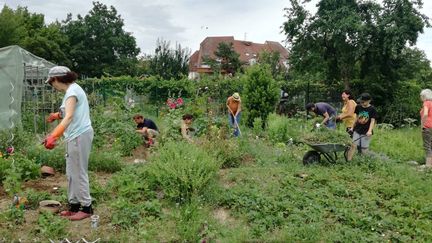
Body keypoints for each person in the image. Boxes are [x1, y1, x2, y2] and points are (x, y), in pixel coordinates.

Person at [44, 66, 94, 221]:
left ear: (56, 79)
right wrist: (56, 115)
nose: (53, 87)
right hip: (74, 136)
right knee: (71, 171)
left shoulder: (72, 92)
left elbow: (70, 116)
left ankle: (86, 207)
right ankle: (74, 206)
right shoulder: (72, 90)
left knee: (78, 171)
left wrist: (54, 135)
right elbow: (67, 113)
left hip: (79, 135)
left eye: (51, 83)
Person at [347, 93, 377, 161]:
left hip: (366, 131)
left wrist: (369, 131)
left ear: (369, 101)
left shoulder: (372, 109)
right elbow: (356, 118)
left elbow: (372, 121)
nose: (362, 103)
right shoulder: (358, 107)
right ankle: (348, 161)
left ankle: (364, 163)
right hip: (357, 129)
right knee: (353, 145)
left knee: (364, 148)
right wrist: (352, 127)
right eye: (361, 102)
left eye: (363, 102)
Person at [420, 89, 432, 168]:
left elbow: (425, 114)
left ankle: (428, 166)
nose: (420, 97)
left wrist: (422, 124)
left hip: (427, 127)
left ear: (424, 96)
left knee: (427, 146)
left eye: (420, 96)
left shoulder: (426, 103)